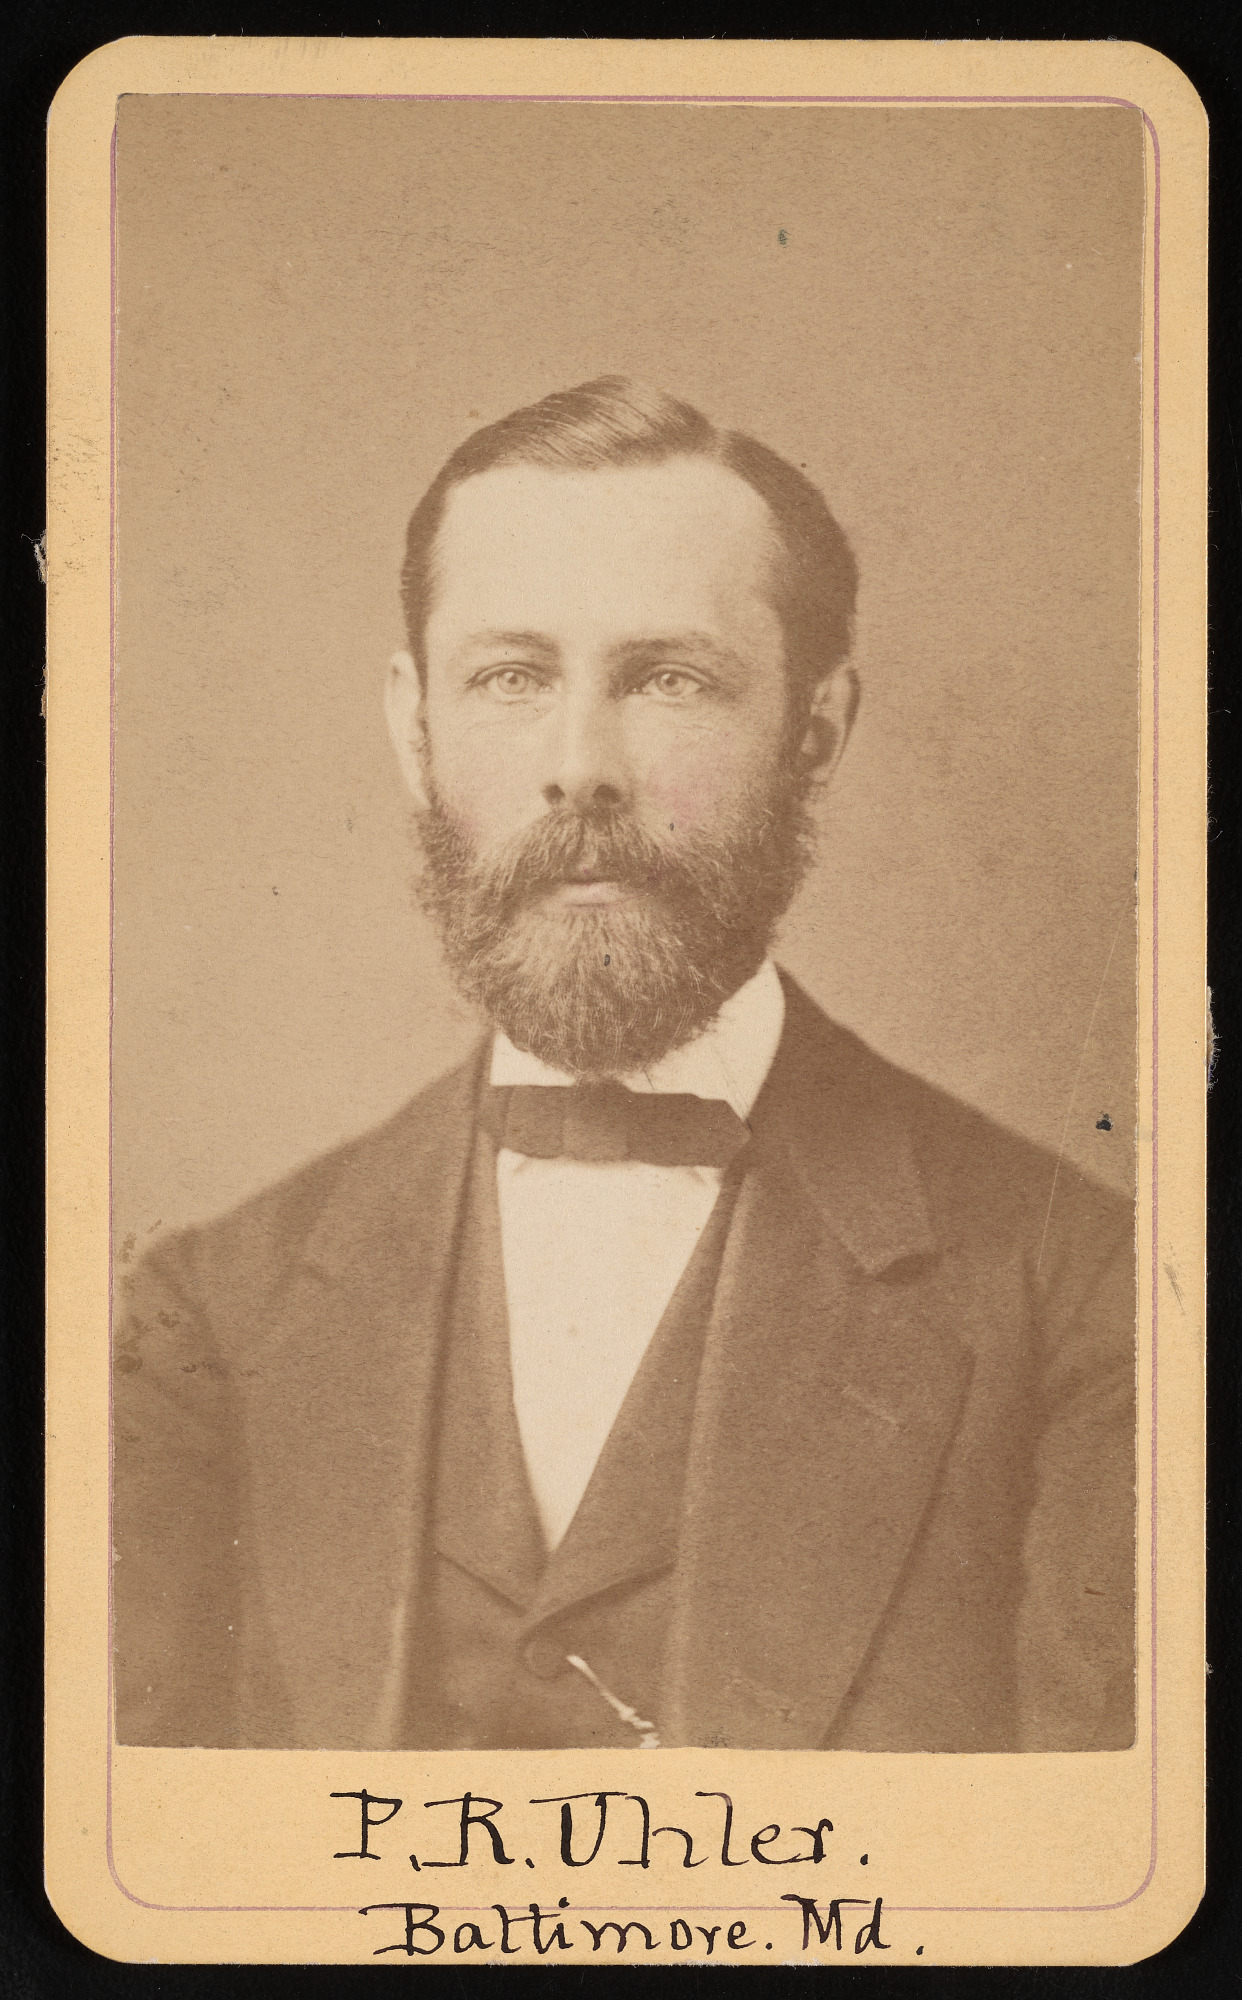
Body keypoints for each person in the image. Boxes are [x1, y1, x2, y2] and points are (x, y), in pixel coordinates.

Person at [112, 377, 1135, 1754]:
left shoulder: (1085, 1294)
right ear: (415, 732)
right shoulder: (208, 1315)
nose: (581, 767)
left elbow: (1094, 1868)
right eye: (511, 678)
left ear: (814, 733)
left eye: (669, 680)